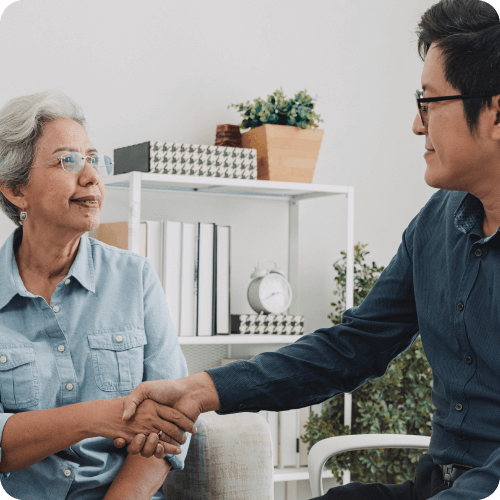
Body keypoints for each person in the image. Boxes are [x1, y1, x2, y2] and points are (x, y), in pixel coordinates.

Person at [115, 1, 500, 499]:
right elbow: (352, 348)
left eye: (429, 103)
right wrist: (199, 389)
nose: (416, 124)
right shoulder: (435, 223)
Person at [0, 90, 197, 500]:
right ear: (17, 191)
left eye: (93, 159)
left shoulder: (135, 277)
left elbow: (173, 420)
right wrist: (99, 417)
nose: (91, 177)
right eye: (68, 160)